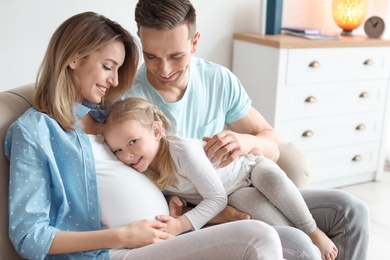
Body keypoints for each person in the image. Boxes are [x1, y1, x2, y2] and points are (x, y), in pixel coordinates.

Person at [4, 11, 285, 260]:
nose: (114, 81)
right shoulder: (36, 132)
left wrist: (179, 206)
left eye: (117, 69)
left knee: (296, 240)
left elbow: (158, 164)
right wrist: (122, 236)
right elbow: (30, 238)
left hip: (171, 232)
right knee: (259, 236)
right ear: (74, 57)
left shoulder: (108, 116)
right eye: (107, 66)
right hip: (118, 251)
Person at [121, 0, 370, 259]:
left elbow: (270, 143)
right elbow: (132, 181)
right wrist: (208, 213)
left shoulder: (217, 80)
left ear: (194, 43)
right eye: (151, 56)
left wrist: (247, 143)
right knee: (300, 246)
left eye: (176, 56)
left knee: (351, 212)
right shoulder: (129, 103)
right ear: (141, 42)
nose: (165, 69)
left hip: (241, 182)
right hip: (202, 207)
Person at [102, 97, 338, 259]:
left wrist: (180, 225)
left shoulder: (181, 150)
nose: (127, 155)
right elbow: (186, 189)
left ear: (155, 131)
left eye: (133, 142)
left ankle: (313, 231)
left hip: (247, 168)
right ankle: (306, 246)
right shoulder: (142, 168)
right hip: (234, 193)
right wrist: (178, 201)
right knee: (279, 230)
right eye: (117, 150)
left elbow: (214, 199)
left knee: (272, 181)